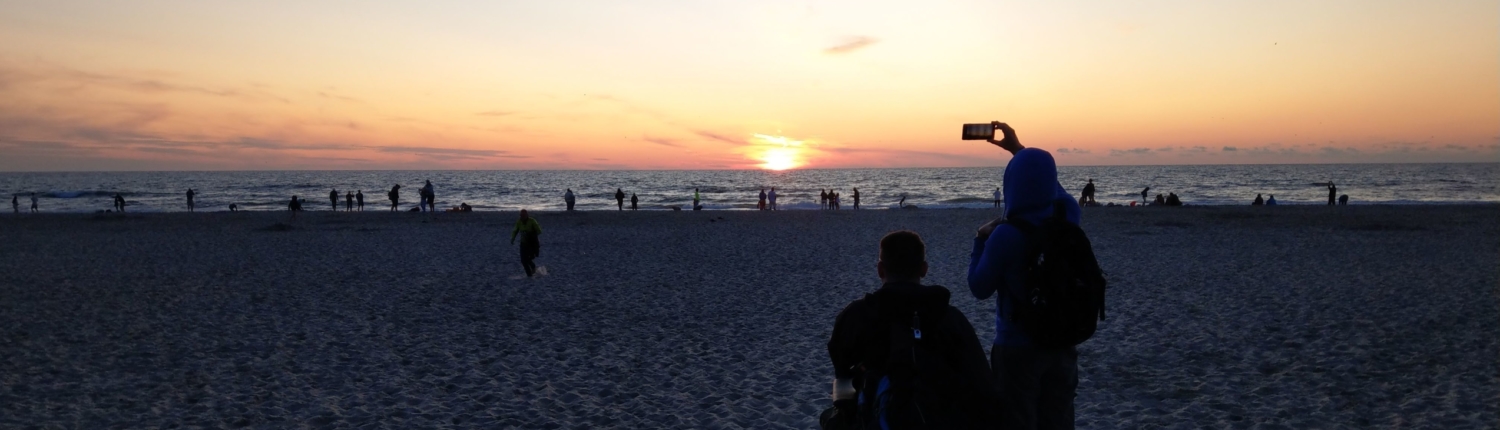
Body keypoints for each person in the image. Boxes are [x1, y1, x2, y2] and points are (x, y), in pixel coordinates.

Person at [823, 231, 1000, 429]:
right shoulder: (950, 317)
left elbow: (840, 368)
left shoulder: (855, 315)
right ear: (924, 269)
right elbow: (982, 382)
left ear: (880, 270)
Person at [971, 122, 1084, 430]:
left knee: (1018, 420)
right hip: (1062, 338)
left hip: (1017, 343)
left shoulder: (1004, 235)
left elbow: (978, 287)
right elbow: (1053, 188)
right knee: (1059, 419)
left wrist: (980, 239)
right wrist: (1018, 149)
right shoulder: (1069, 216)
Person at [510, 210, 543, 277]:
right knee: (523, 260)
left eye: (523, 216)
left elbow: (539, 231)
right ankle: (529, 274)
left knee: (529, 258)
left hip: (532, 243)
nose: (522, 217)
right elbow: (515, 230)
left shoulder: (532, 221)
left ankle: (533, 267)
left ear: (527, 215)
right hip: (523, 243)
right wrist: (512, 239)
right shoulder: (519, 222)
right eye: (521, 216)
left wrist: (530, 233)